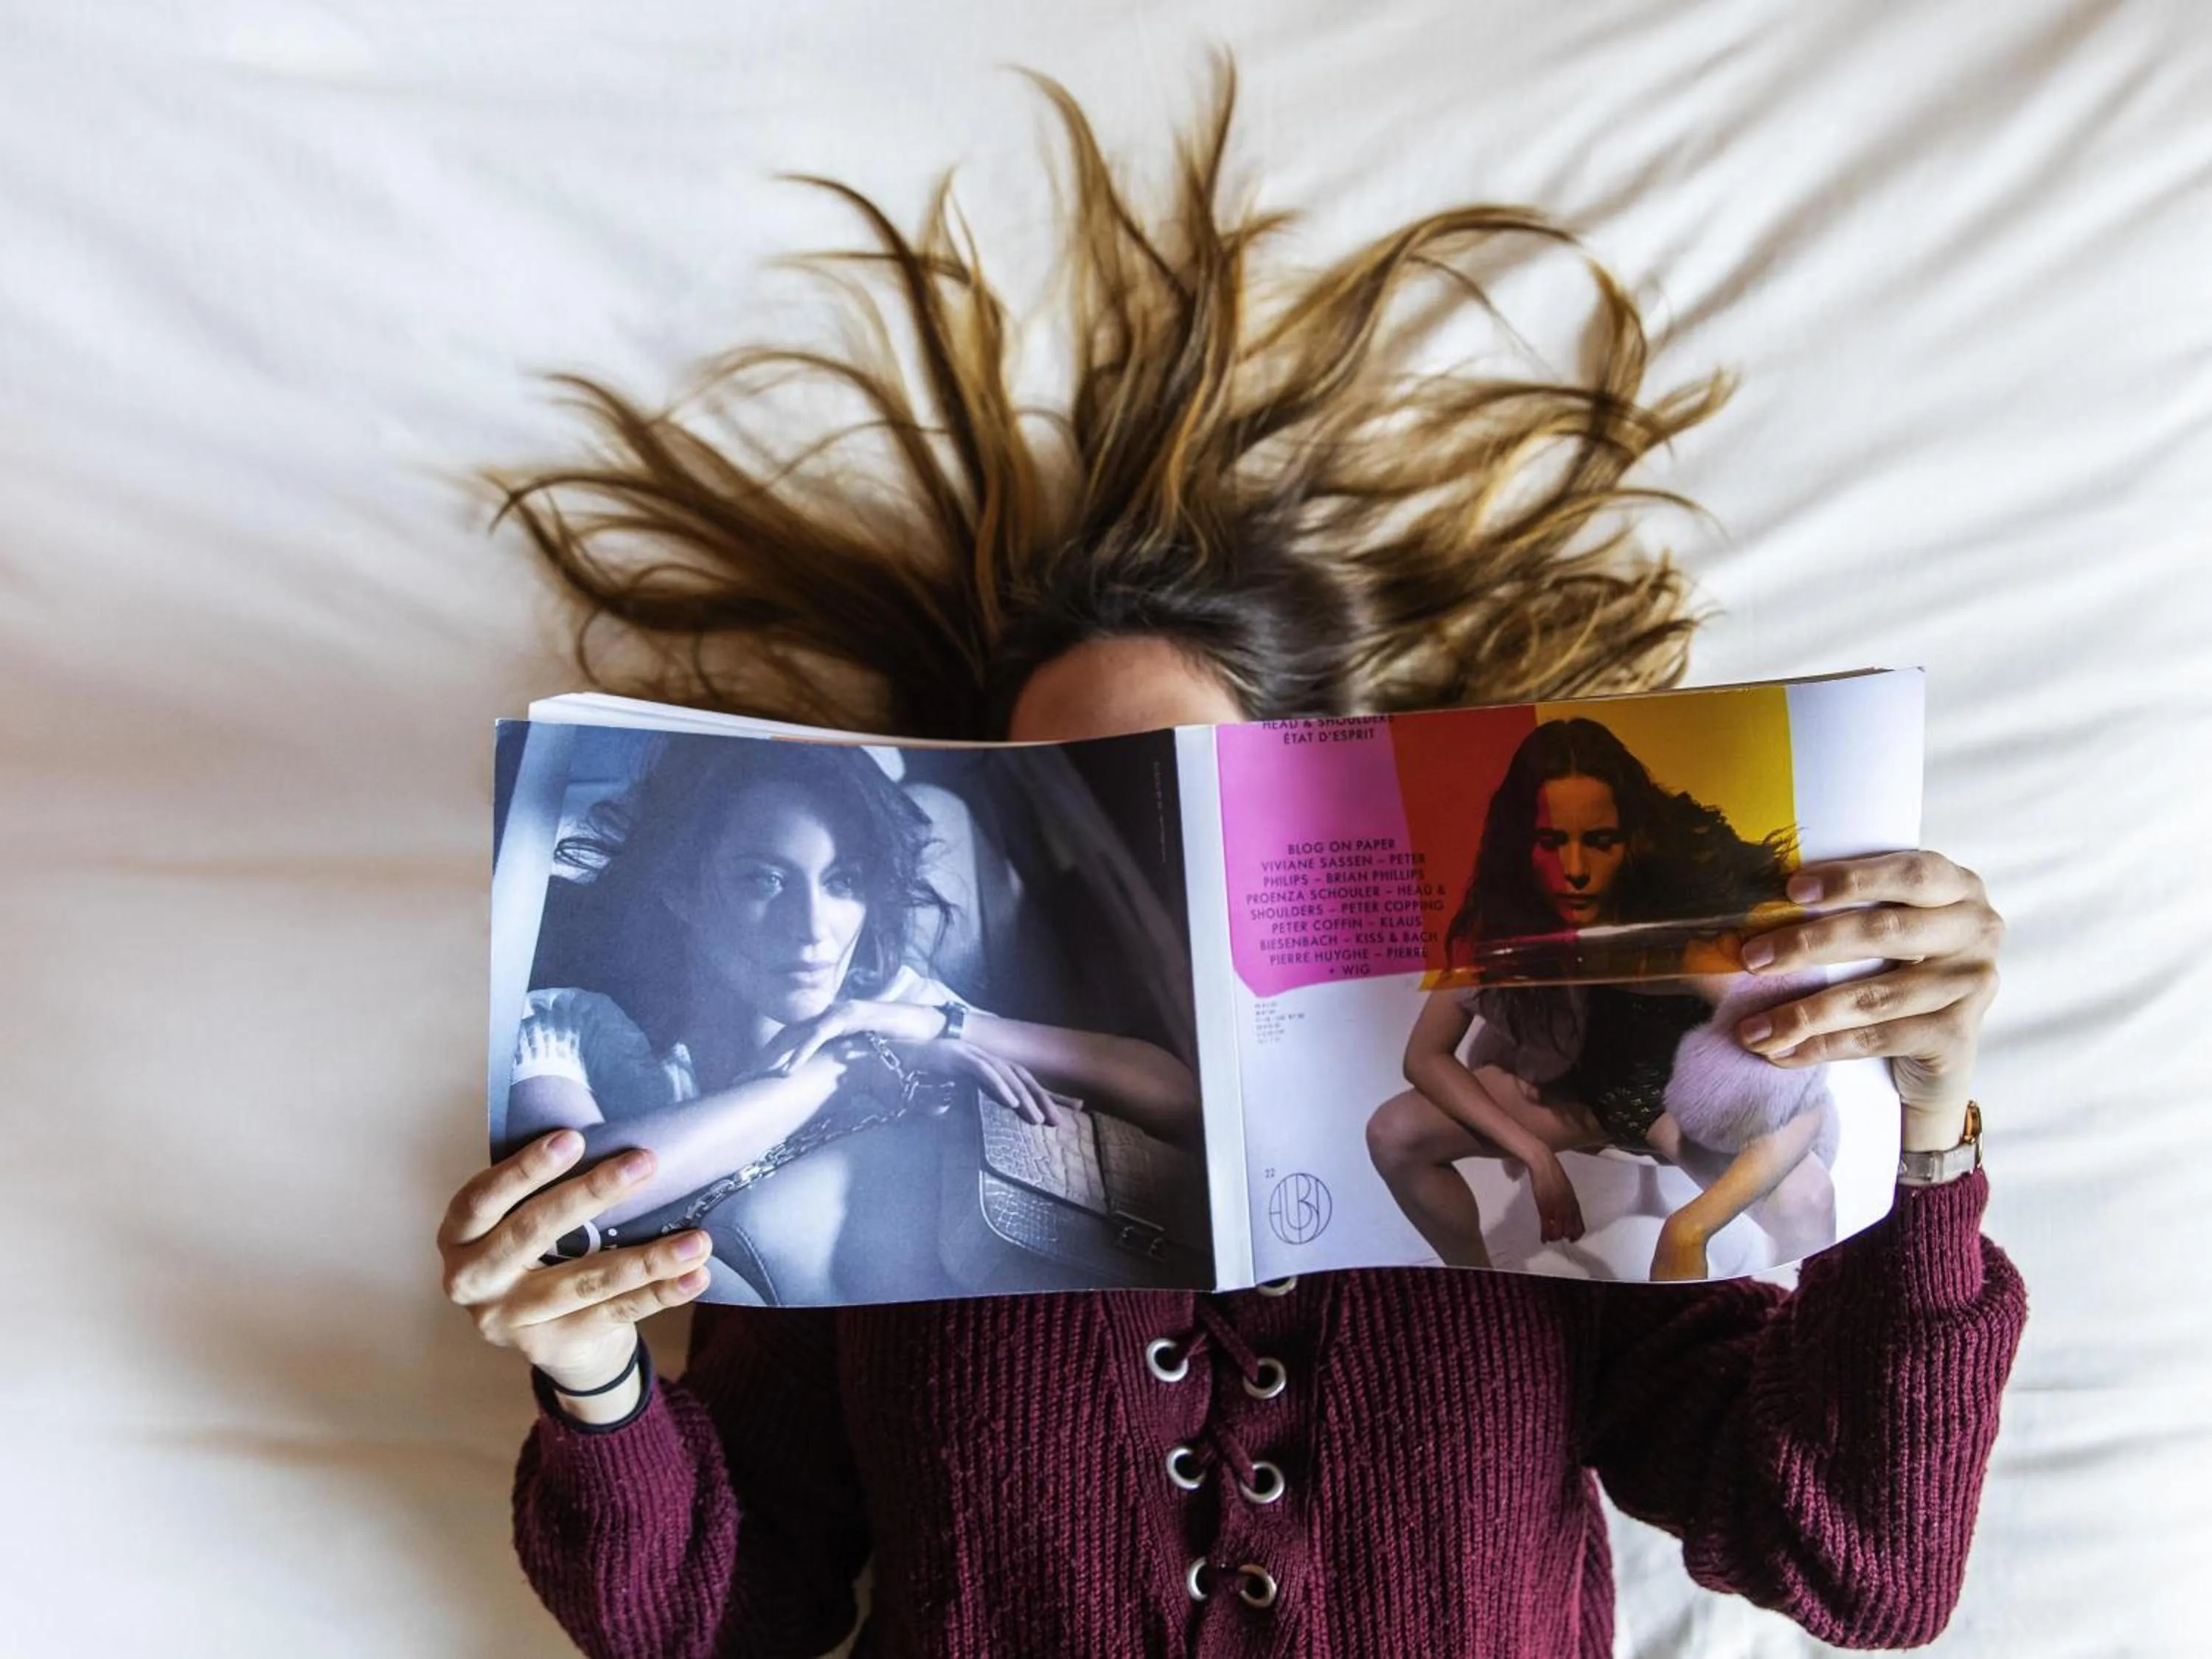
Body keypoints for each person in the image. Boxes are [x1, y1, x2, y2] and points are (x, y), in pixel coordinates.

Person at [438, 66, 2022, 1657]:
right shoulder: (897, 1190)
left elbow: (1865, 1566)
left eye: (1192, 788)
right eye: (1089, 805)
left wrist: (1927, 1134)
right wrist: (598, 1387)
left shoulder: (1536, 1169)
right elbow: (717, 1621)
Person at [506, 734, 1202, 1305]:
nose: (813, 929)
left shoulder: (893, 1001)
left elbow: (1176, 1095)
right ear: (682, 890)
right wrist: (838, 1067)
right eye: (764, 880)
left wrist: (933, 1027)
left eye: (843, 883)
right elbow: (560, 1206)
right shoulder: (568, 1026)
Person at [1366, 717, 1839, 1280]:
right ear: (1522, 843)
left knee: (1806, 1199)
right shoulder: (1507, 924)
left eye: (1599, 841)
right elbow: (1424, 1056)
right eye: (1550, 842)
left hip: (1685, 1116)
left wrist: (1688, 1229)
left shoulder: (1685, 934)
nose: (1574, 871)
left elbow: (1802, 1100)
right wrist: (1535, 1156)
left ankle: (1807, 1313)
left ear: (1633, 838)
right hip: (1576, 1100)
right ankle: (1480, 1292)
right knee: (1394, 1134)